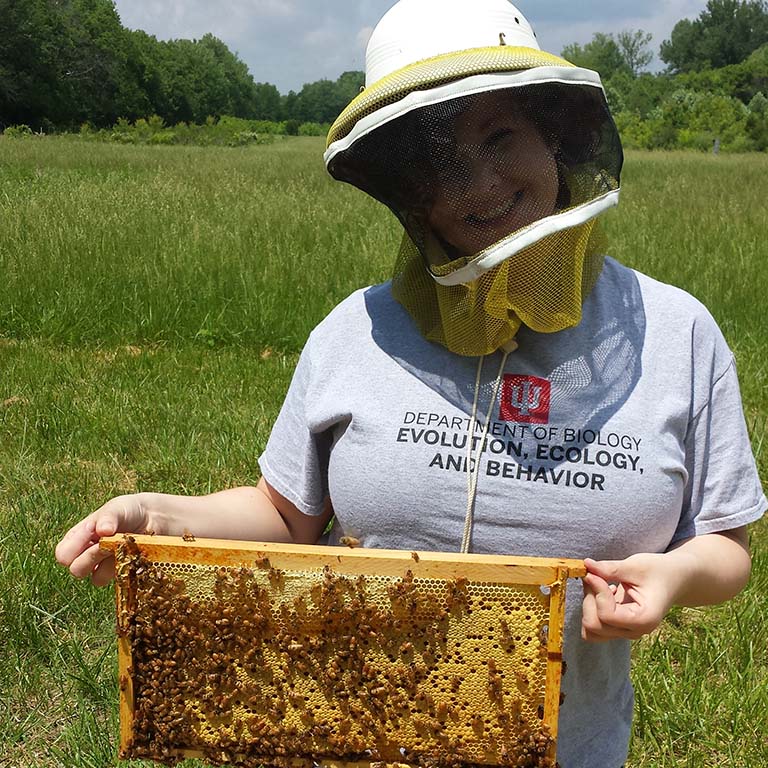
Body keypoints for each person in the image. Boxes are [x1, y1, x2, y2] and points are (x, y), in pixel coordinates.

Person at [55, 1, 766, 766]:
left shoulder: (678, 331)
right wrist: (156, 514)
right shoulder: (352, 330)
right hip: (353, 736)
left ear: (553, 137)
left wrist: (672, 574)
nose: (480, 183)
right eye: (440, 162)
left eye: (501, 137)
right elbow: (284, 515)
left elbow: (727, 548)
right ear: (408, 188)